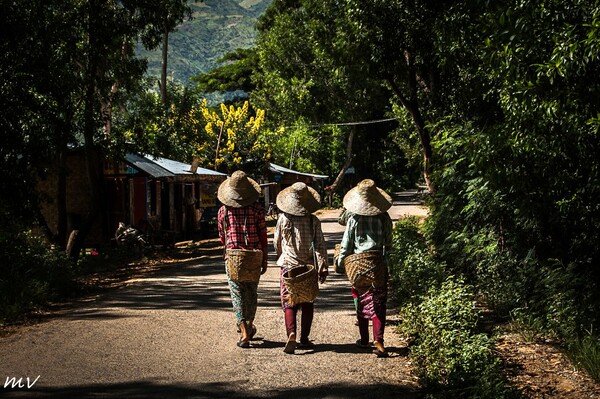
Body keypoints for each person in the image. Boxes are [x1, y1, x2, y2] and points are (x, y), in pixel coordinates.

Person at [337, 179, 393, 357]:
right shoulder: (384, 218)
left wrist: (340, 264)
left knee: (361, 299)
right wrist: (388, 266)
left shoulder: (354, 218)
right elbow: (389, 245)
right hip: (377, 263)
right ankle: (379, 339)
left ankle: (363, 340)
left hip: (358, 264)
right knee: (378, 302)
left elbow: (346, 245)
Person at [273, 182, 329, 354]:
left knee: (289, 301)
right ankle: (304, 339)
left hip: (288, 266)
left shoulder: (283, 218)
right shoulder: (313, 220)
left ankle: (291, 334)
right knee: (307, 301)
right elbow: (319, 245)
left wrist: (283, 255)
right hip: (308, 268)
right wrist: (323, 267)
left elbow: (277, 243)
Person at [217, 170, 268, 348]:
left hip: (232, 256)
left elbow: (222, 237)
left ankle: (244, 331)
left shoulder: (223, 210)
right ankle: (249, 325)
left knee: (236, 293)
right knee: (251, 292)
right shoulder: (257, 209)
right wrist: (265, 258)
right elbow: (263, 235)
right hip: (254, 255)